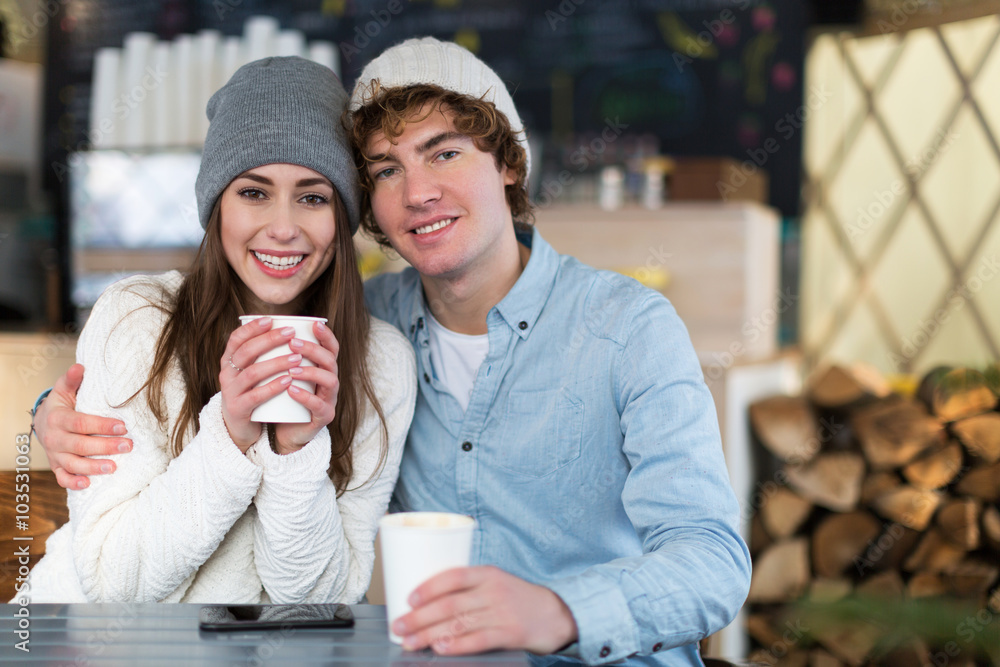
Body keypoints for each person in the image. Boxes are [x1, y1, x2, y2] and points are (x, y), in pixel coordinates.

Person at [32, 38, 750, 664]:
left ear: (507, 162)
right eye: (384, 170)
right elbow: (157, 378)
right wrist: (57, 412)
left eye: (444, 153)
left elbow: (713, 562)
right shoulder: (369, 333)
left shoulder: (628, 328)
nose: (419, 192)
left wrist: (557, 610)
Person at [21, 56, 416, 604]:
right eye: (253, 192)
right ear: (216, 208)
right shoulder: (136, 318)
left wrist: (297, 451)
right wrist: (229, 435)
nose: (282, 228)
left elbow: (321, 602)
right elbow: (115, 584)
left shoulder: (381, 364)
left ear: (341, 215)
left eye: (313, 196)